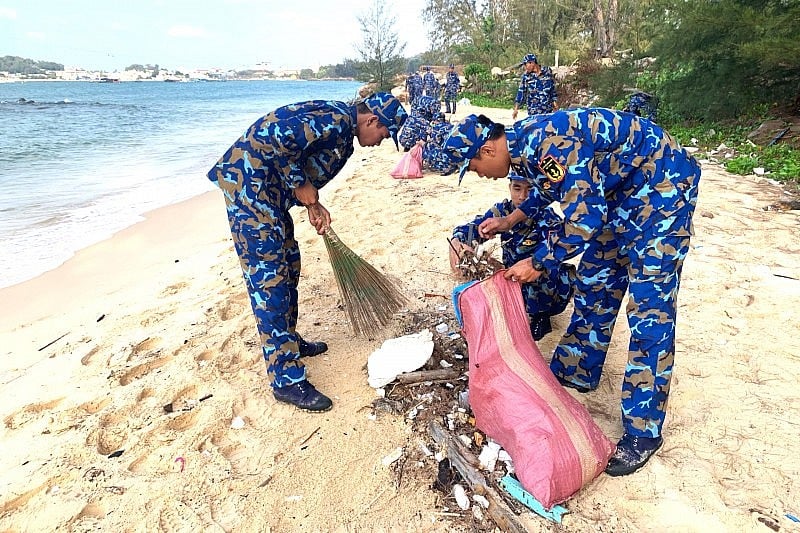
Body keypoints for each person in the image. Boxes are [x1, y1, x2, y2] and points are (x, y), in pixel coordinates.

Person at [440, 110, 701, 476]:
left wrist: (540, 261)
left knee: (649, 311)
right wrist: (510, 220)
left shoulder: (547, 142)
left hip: (662, 192)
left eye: (475, 167)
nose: (481, 175)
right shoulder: (525, 147)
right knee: (595, 283)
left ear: (487, 149)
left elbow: (584, 219)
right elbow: (552, 186)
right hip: (618, 195)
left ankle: (644, 431)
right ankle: (576, 370)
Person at [207, 93, 408, 412]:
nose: (382, 140)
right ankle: (285, 379)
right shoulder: (335, 119)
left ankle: (287, 340)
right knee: (269, 283)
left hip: (269, 197)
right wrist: (301, 186)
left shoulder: (342, 128)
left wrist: (313, 203)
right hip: (249, 192)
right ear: (371, 120)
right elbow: (277, 136)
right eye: (384, 133)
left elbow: (295, 158)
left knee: (289, 263)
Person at [449, 174, 574, 340]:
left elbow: (558, 251)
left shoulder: (547, 218)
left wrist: (536, 264)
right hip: (513, 275)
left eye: (530, 189)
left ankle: (541, 315)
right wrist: (458, 242)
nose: (522, 196)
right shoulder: (502, 212)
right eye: (517, 188)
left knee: (545, 270)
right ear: (510, 188)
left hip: (541, 280)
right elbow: (473, 228)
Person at [512, 53, 558, 120]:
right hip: (533, 113)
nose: (525, 67)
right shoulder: (526, 77)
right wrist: (516, 109)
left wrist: (555, 103)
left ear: (532, 63)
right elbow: (521, 93)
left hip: (547, 112)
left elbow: (552, 89)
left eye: (525, 64)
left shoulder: (547, 72)